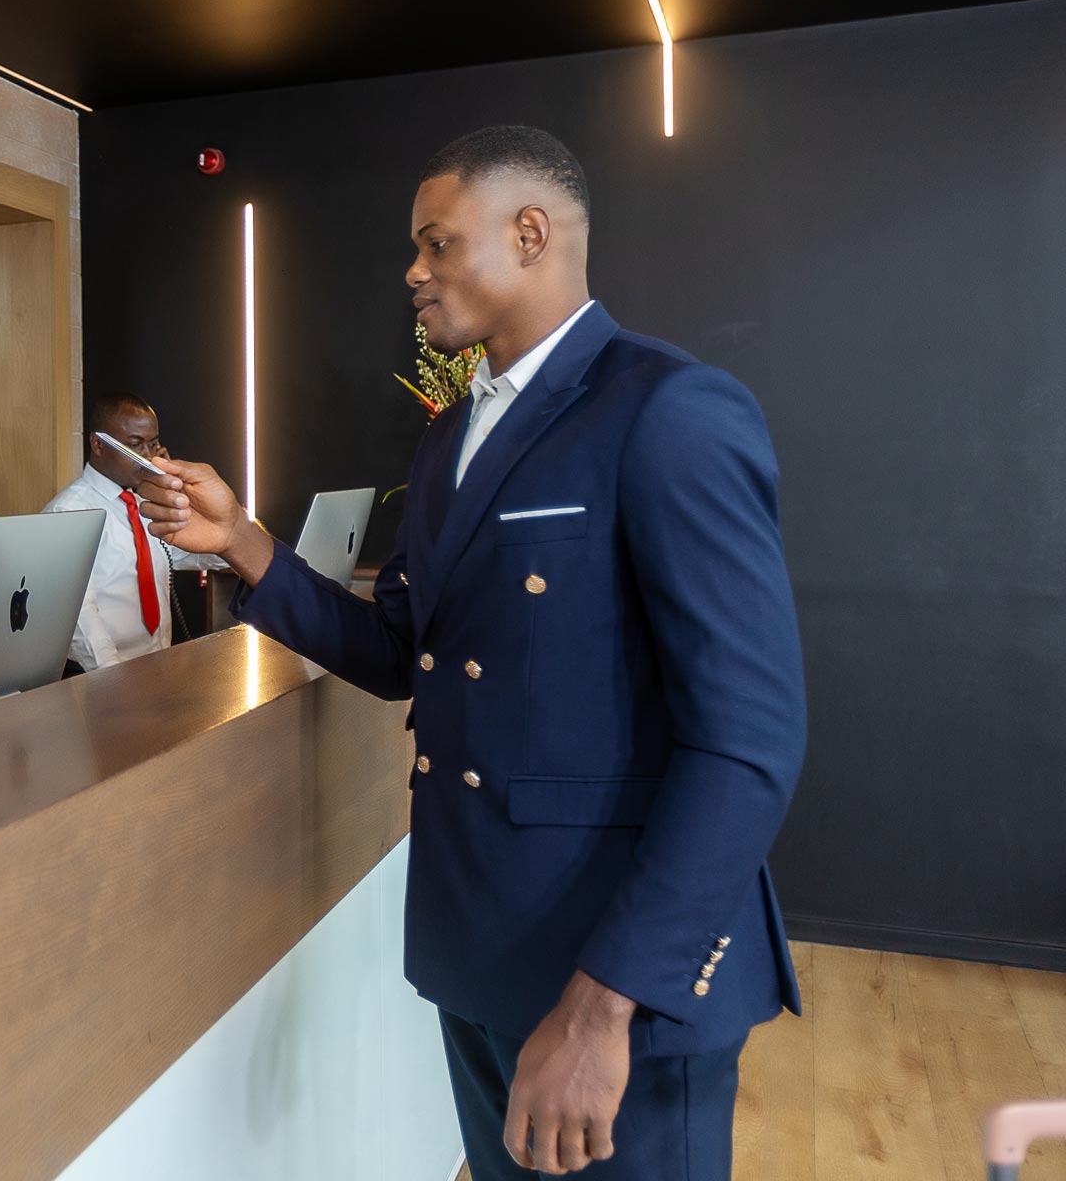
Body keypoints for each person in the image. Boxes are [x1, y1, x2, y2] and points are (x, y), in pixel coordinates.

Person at [137, 126, 804, 1178]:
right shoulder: (453, 436)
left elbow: (747, 744)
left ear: (529, 233)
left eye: (435, 243)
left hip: (615, 987)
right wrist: (246, 545)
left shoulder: (667, 410)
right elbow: (402, 652)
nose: (411, 270)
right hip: (481, 954)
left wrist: (600, 1006)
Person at [41, 393, 221, 674]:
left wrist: (196, 506)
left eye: (153, 444)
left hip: (159, 669)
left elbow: (217, 557)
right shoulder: (67, 513)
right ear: (98, 444)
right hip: (103, 680)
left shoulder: (148, 507)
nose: (148, 457)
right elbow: (79, 618)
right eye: (135, 445)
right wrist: (116, 682)